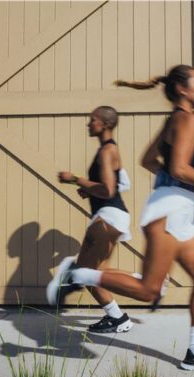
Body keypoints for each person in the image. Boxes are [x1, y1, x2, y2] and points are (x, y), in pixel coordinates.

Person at [59, 65, 194, 371]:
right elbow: (179, 168)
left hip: (178, 209)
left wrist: (175, 180)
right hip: (170, 210)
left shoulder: (175, 120)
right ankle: (79, 274)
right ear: (182, 89)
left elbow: (149, 160)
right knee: (149, 290)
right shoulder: (186, 119)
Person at [46, 106, 134, 334]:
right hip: (110, 215)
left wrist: (75, 179)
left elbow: (108, 190)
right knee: (94, 273)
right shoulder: (109, 150)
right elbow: (122, 184)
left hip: (108, 216)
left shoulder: (107, 151)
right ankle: (118, 317)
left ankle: (145, 282)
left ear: (105, 124)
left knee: (84, 271)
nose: (89, 123)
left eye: (93, 119)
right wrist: (89, 190)